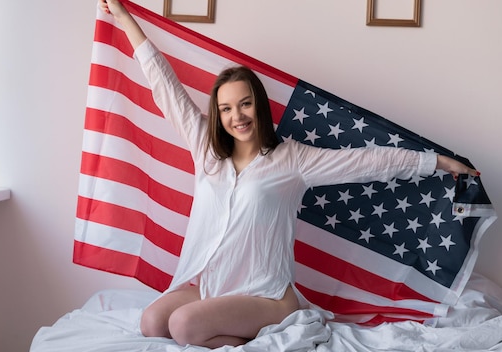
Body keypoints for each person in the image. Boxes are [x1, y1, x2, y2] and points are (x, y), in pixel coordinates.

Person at [98, 0, 481, 348]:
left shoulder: (292, 160)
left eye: (245, 104)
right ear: (219, 114)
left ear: (259, 105)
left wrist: (438, 162)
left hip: (265, 295)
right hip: (214, 285)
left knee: (183, 327)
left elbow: (366, 162)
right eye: (228, 109)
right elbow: (165, 87)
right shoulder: (207, 152)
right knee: (152, 322)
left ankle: (282, 321)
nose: (237, 116)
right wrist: (124, 16)